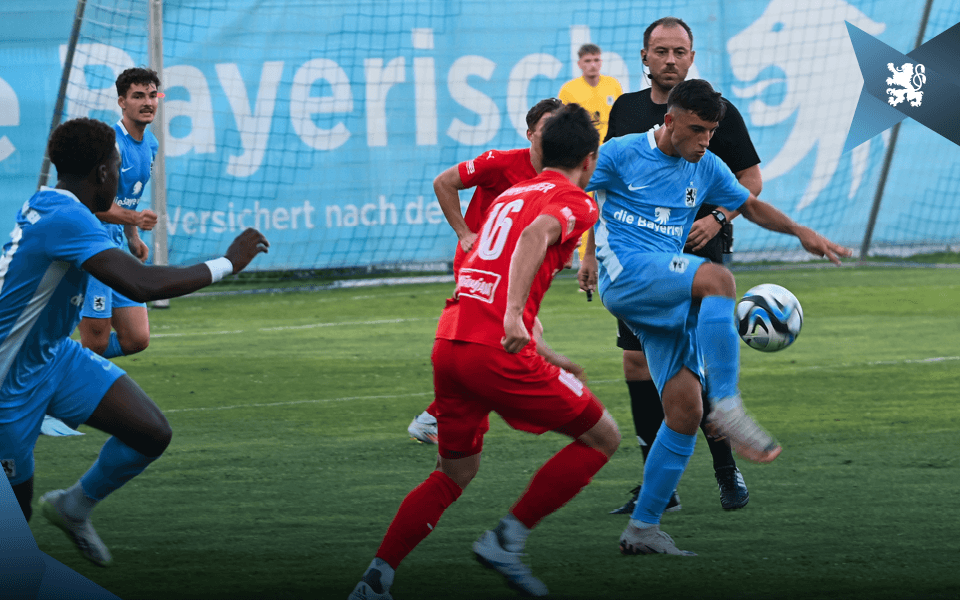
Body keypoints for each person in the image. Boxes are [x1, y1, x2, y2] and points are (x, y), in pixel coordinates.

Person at [349, 104, 619, 599]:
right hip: (495, 352)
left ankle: (376, 578)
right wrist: (515, 316)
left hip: (451, 342)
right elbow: (536, 237)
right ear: (589, 160)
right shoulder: (577, 202)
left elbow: (489, 280)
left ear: (541, 148)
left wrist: (545, 350)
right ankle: (505, 541)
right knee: (603, 437)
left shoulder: (510, 196)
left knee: (455, 471)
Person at [580, 79, 850, 555]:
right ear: (669, 121)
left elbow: (750, 204)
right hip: (625, 276)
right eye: (696, 130)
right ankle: (727, 401)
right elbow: (566, 186)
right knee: (718, 279)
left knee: (685, 412)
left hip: (661, 294)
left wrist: (799, 231)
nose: (704, 140)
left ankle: (643, 530)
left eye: (711, 131)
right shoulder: (621, 153)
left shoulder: (705, 166)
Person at [0, 117, 268, 566]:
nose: (121, 178)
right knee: (15, 533)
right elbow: (141, 284)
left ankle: (73, 507)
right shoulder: (66, 219)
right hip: (7, 383)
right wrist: (227, 262)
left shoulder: (52, 202)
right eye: (117, 166)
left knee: (149, 432)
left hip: (51, 357)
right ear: (103, 172)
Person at [597, 16, 763, 513]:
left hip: (696, 250)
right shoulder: (626, 110)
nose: (670, 59)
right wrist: (588, 254)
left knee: (701, 363)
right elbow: (603, 188)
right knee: (637, 364)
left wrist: (716, 218)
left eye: (680, 51)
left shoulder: (716, 109)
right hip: (636, 259)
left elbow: (750, 182)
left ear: (692, 57)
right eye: (661, 51)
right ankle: (659, 489)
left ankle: (726, 470)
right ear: (644, 56)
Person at [406, 97, 565, 444]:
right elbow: (443, 182)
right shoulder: (500, 162)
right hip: (480, 266)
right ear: (530, 134)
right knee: (517, 338)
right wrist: (464, 232)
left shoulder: (561, 177)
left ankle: (443, 418)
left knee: (505, 343)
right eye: (546, 127)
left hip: (512, 270)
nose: (554, 133)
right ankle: (442, 417)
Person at [78, 67, 161, 359]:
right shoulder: (110, 144)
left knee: (136, 338)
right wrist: (135, 219)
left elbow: (126, 198)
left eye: (152, 95)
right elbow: (93, 205)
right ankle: (50, 368)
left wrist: (133, 237)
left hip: (116, 244)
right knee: (96, 343)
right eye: (138, 96)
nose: (147, 102)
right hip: (91, 244)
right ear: (122, 102)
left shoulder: (150, 144)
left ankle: (59, 360)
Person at [558, 44, 623, 142]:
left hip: (610, 143)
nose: (593, 65)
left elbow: (621, 115)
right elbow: (562, 121)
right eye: (587, 61)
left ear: (601, 62)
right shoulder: (568, 89)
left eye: (596, 60)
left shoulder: (613, 84)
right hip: (583, 144)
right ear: (579, 64)